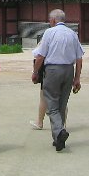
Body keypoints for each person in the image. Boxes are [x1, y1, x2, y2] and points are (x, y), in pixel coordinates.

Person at [32, 9, 84, 152]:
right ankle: (58, 139)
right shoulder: (72, 34)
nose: (49, 23)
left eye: (50, 20)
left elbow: (40, 55)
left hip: (53, 70)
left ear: (54, 20)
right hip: (68, 70)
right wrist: (77, 77)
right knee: (62, 103)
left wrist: (35, 72)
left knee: (52, 104)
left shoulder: (49, 33)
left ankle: (60, 131)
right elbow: (79, 58)